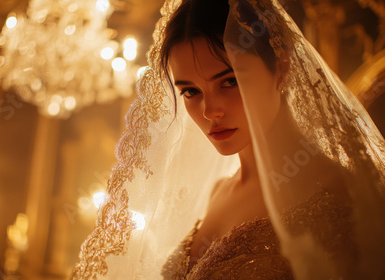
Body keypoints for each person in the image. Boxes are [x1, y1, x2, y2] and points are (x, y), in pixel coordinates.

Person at [71, 0, 385, 279]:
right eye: (191, 91)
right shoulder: (220, 190)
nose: (209, 111)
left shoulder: (341, 192)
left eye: (230, 81)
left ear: (283, 68)